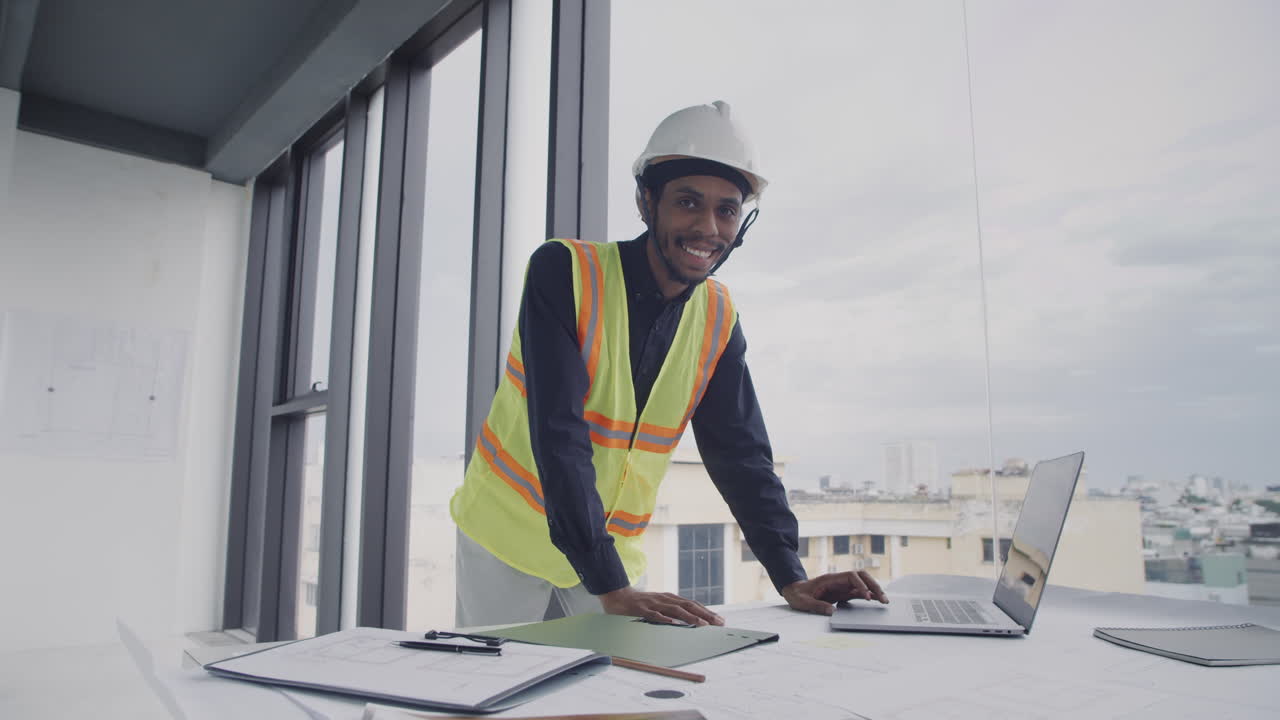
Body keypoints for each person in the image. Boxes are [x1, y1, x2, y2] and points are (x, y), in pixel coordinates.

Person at [450, 101, 889, 628]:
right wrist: (611, 585)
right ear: (646, 202)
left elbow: (740, 454)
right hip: (508, 538)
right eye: (688, 202)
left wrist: (789, 574)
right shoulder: (565, 271)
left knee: (612, 701)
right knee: (496, 693)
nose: (708, 227)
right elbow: (559, 435)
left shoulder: (718, 317)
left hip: (611, 552)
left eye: (727, 210)